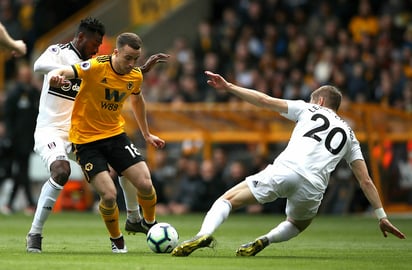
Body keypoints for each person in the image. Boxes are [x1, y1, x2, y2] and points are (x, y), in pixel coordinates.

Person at [171, 71, 406, 257]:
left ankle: (203, 234)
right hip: (314, 187)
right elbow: (365, 180)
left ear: (320, 101)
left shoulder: (308, 108)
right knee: (297, 223)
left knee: (227, 200)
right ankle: (265, 240)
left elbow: (264, 100)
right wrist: (381, 216)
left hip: (287, 170)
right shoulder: (350, 135)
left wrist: (230, 87)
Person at [26, 17, 169, 253]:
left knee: (126, 165)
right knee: (61, 171)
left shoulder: (94, 63)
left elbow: (115, 72)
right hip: (52, 129)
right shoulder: (58, 52)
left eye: (100, 43)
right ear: (81, 37)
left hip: (81, 130)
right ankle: (35, 233)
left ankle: (134, 217)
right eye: (95, 43)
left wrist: (139, 70)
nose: (97, 48)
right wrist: (61, 74)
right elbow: (38, 67)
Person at [2, 63, 39, 215]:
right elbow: (8, 117)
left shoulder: (33, 93)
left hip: (28, 139)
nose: (27, 77)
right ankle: (29, 203)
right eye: (25, 75)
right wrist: (9, 137)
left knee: (21, 171)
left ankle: (10, 204)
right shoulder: (14, 93)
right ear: (19, 76)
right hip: (16, 140)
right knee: (19, 171)